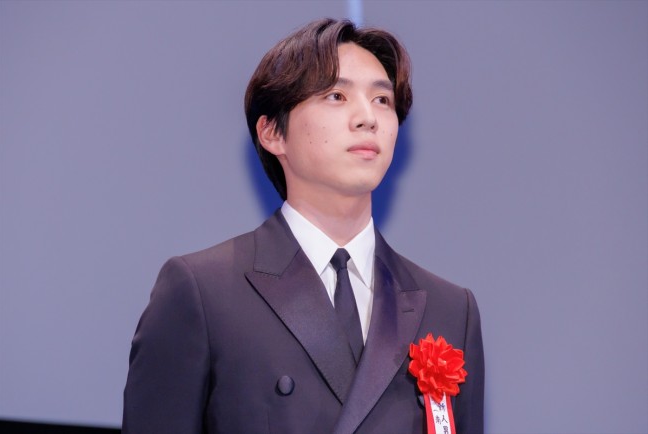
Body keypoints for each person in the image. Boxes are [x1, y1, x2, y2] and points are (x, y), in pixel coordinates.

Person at [123, 18, 484, 434]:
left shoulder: (451, 310)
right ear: (272, 132)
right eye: (336, 95)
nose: (368, 118)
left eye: (382, 100)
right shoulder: (203, 292)